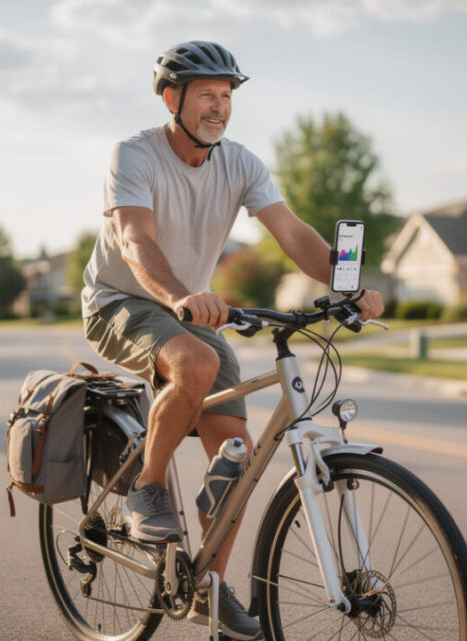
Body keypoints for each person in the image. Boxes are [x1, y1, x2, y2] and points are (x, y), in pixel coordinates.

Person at [79, 40, 384, 641]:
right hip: (124, 302)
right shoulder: (133, 155)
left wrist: (347, 287)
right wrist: (178, 297)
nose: (218, 107)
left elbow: (292, 233)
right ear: (172, 98)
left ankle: (206, 591)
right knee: (192, 358)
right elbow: (138, 242)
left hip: (192, 310)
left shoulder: (240, 162)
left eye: (225, 96)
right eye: (205, 96)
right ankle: (146, 490)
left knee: (237, 456)